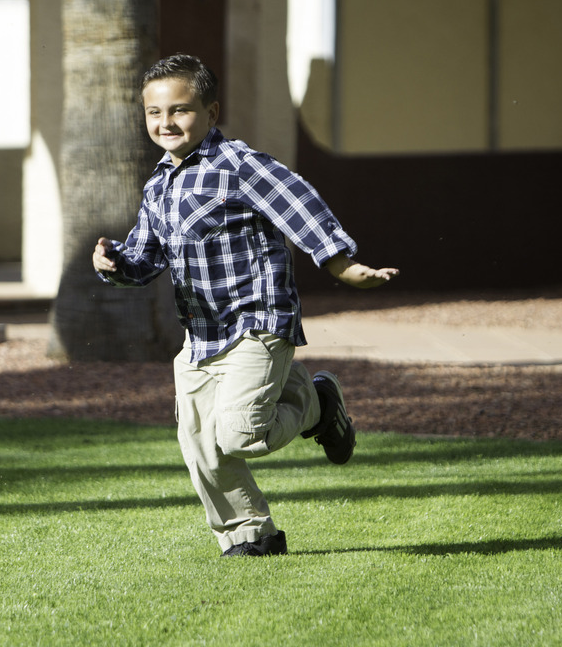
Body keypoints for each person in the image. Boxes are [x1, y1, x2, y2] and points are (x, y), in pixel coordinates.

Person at [92, 54, 399, 557]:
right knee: (200, 445)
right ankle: (249, 536)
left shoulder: (236, 164)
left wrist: (340, 264)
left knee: (237, 434)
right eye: (154, 112)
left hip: (257, 321)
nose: (166, 122)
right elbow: (145, 258)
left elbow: (296, 200)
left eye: (180, 110)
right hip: (201, 334)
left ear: (212, 112)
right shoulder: (158, 185)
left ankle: (316, 403)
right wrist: (115, 265)